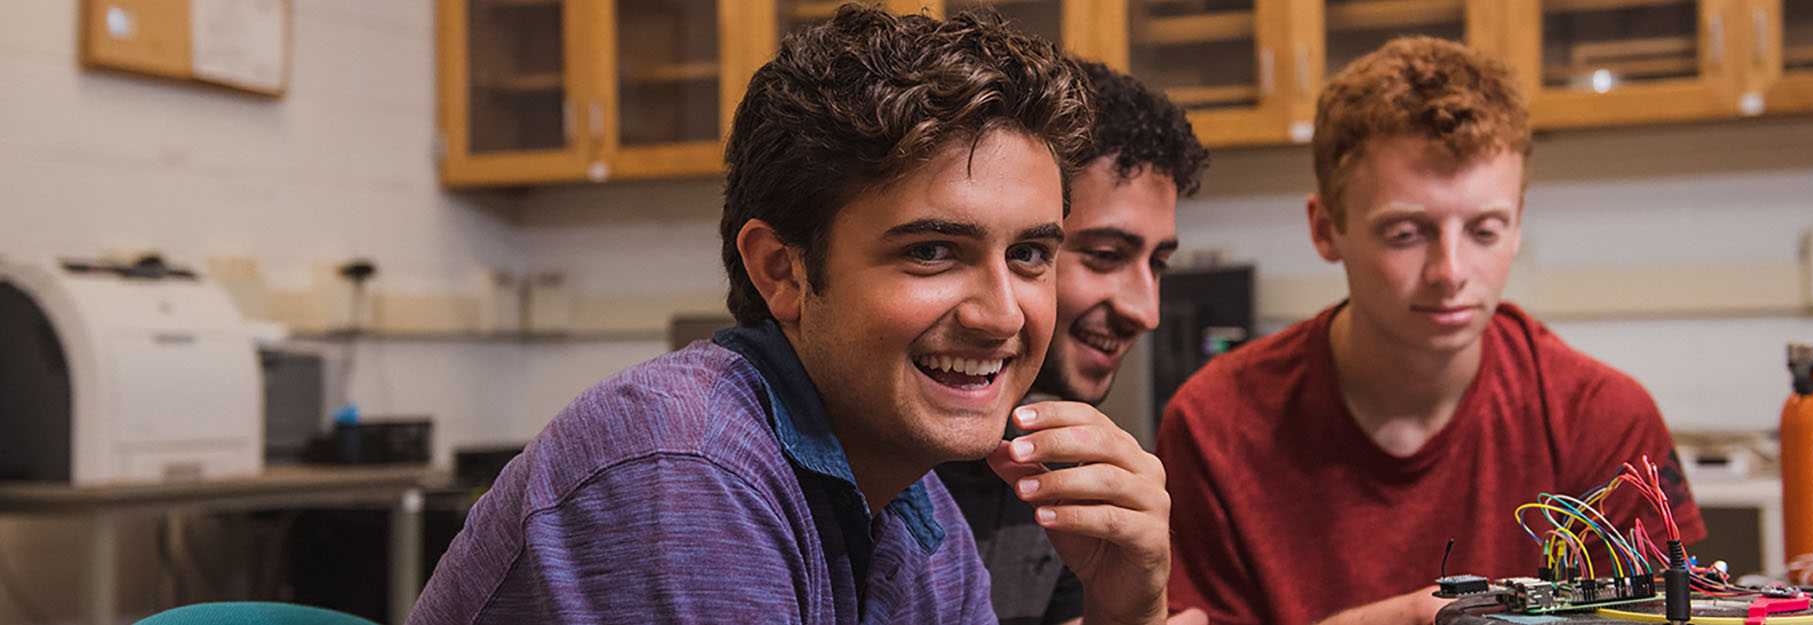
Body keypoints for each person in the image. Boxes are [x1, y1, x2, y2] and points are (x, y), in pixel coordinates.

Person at [410, 7, 1173, 625]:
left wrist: (1123, 612)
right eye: (934, 251)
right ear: (783, 269)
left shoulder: (915, 512)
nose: (1002, 314)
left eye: (1031, 255)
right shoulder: (686, 473)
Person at [1155, 36, 1707, 625]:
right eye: (1406, 233)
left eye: (1485, 231)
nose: (1451, 273)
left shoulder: (1602, 421)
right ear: (1325, 228)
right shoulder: (1215, 425)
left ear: (1518, 226)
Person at [934, 59, 1208, 625]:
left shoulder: (1056, 463)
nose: (1146, 311)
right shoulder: (887, 455)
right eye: (1105, 256)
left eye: (1158, 263)